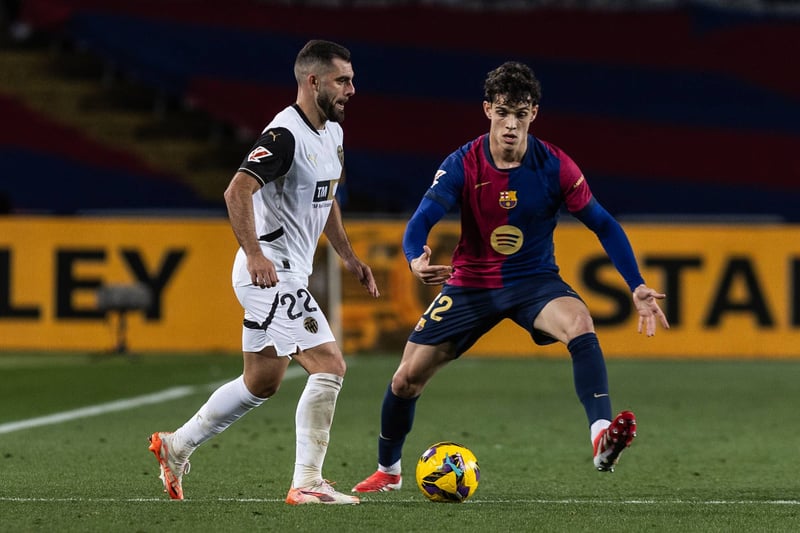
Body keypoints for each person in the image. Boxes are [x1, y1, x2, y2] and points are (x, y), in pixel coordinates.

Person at [352, 61, 669, 493]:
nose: (511, 125)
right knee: (406, 379)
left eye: (520, 114)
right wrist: (413, 258)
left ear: (533, 114)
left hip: (533, 281)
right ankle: (388, 471)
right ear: (487, 110)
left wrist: (636, 285)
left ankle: (600, 436)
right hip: (470, 284)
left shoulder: (555, 165)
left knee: (580, 323)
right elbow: (423, 217)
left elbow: (604, 224)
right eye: (502, 112)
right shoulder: (463, 162)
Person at [149, 39, 378, 505]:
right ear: (313, 81)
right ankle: (307, 482)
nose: (351, 90)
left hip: (286, 273)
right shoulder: (283, 135)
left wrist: (348, 257)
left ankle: (176, 445)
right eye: (342, 81)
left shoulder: (332, 133)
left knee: (261, 381)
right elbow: (236, 191)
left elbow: (327, 197)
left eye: (351, 80)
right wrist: (254, 254)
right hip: (271, 273)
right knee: (330, 365)